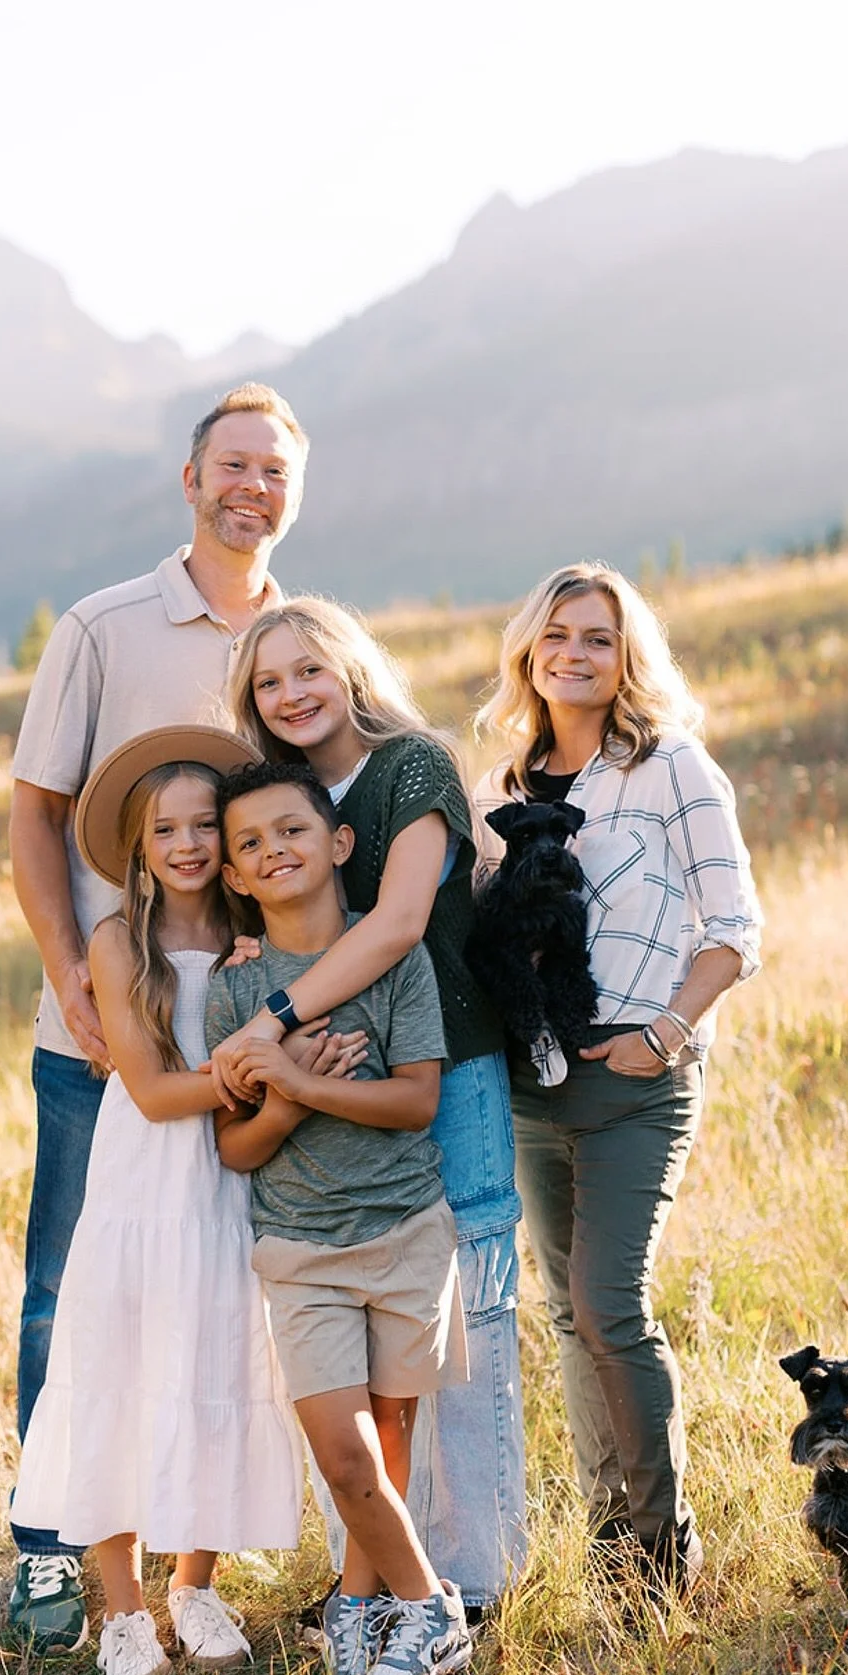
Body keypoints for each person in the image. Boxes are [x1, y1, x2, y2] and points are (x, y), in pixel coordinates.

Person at [6, 384, 308, 1651]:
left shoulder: (303, 644)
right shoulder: (105, 626)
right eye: (232, 465)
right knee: (72, 1285)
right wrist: (76, 978)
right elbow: (34, 814)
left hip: (244, 1025)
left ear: (293, 493)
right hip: (106, 1022)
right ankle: (47, 1557)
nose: (252, 488)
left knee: (224, 1287)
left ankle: (196, 1558)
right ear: (190, 481)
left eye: (274, 472)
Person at [12, 727, 357, 1675]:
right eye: (168, 827)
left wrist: (267, 1045)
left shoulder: (251, 937)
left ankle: (195, 1585)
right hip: (141, 1184)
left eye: (206, 823)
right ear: (140, 842)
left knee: (215, 1360)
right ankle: (123, 1607)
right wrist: (263, 1068)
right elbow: (157, 1092)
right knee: (121, 1372)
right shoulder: (120, 939)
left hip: (224, 1184)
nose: (190, 842)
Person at [212, 596, 526, 1619]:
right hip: (342, 1079)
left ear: (349, 670)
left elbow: (395, 924)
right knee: (368, 1341)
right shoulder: (287, 795)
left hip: (449, 1070)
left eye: (309, 670)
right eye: (269, 682)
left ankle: (473, 1574)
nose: (292, 693)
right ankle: (390, 1575)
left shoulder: (414, 767)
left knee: (464, 1324)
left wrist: (272, 1017)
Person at [473, 561, 763, 1595]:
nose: (574, 654)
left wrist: (667, 1033)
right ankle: (610, 1544)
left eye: (597, 637)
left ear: (626, 654)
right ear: (529, 655)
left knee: (609, 1308)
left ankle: (659, 1547)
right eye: (556, 636)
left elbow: (734, 930)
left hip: (637, 1084)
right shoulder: (501, 789)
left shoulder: (672, 767)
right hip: (530, 1090)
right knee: (564, 1315)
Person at [207, 761, 473, 1675]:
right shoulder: (234, 995)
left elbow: (414, 1102)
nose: (273, 851)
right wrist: (281, 1094)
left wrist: (301, 1080)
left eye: (292, 831)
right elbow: (236, 1148)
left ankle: (359, 1608)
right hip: (301, 1250)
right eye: (250, 845)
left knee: (392, 1436)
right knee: (347, 1457)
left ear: (339, 844)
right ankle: (434, 1608)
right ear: (233, 877)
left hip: (407, 1231)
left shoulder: (394, 957)